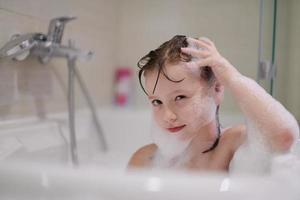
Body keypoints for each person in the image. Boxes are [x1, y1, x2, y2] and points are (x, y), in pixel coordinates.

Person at [128, 35, 299, 172]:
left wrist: (231, 76)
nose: (168, 116)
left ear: (217, 89)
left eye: (180, 97)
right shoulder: (144, 160)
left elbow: (284, 136)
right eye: (157, 101)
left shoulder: (232, 145)